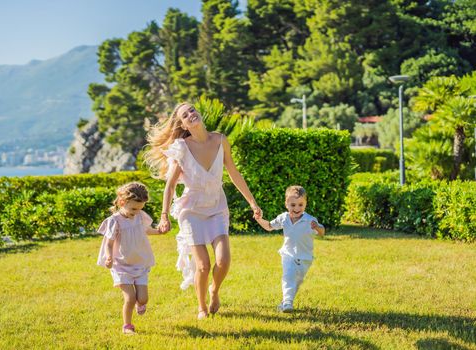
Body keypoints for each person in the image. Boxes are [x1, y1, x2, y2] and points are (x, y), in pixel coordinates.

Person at [144, 102, 261, 320]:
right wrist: (164, 215)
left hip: (217, 206)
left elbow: (233, 172)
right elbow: (170, 185)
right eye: (185, 115)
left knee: (223, 261)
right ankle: (201, 307)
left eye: (192, 110)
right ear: (183, 124)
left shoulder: (220, 140)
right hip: (192, 210)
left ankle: (214, 291)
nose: (191, 114)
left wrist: (252, 203)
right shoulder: (182, 148)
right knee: (203, 265)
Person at [96, 182, 164, 335]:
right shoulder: (115, 221)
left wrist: (159, 231)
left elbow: (146, 230)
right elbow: (109, 243)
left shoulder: (139, 216)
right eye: (133, 208)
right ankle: (127, 326)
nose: (137, 212)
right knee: (130, 298)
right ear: (122, 202)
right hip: (120, 265)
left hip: (139, 263)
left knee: (143, 299)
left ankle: (141, 304)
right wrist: (108, 257)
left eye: (140, 208)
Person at [254, 185, 325, 313]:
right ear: (286, 204)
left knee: (296, 281)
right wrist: (259, 219)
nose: (297, 208)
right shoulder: (284, 218)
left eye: (300, 205)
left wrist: (317, 227)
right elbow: (269, 226)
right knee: (288, 276)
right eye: (293, 205)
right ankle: (288, 303)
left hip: (305, 257)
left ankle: (285, 303)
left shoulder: (310, 220)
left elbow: (322, 232)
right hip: (288, 254)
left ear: (305, 204)